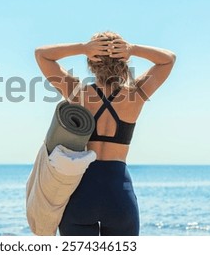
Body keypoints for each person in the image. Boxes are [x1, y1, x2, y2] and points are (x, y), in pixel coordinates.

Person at [34, 31, 176, 236]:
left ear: (92, 62)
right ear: (124, 61)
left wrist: (83, 47)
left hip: (80, 195)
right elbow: (168, 60)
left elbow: (42, 55)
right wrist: (133, 49)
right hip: (119, 195)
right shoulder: (136, 95)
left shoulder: (78, 93)